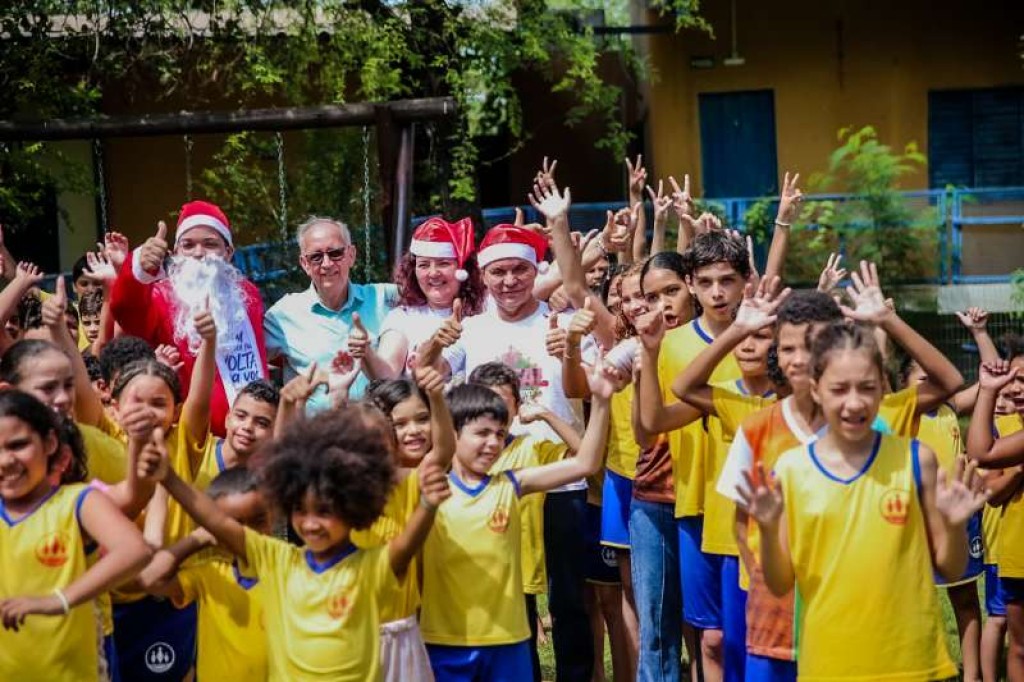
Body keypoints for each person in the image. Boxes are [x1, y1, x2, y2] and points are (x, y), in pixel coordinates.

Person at [743, 321, 985, 680]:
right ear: (816, 389)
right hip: (829, 662)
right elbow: (779, 583)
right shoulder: (792, 470)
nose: (854, 402)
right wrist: (766, 529)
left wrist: (953, 526)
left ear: (883, 388)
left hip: (912, 662)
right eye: (839, 389)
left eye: (867, 387)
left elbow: (950, 568)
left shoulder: (915, 459)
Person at [142, 406, 451, 681]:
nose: (311, 523)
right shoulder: (278, 558)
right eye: (300, 511)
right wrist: (168, 477)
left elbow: (405, 548)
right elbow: (217, 521)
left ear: (354, 507)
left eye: (324, 512)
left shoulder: (368, 566)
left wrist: (427, 505)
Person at [424, 218, 598, 681]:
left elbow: (583, 388)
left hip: (558, 476)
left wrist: (570, 349)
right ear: (483, 275)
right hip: (495, 480)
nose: (508, 281)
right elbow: (429, 375)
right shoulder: (470, 328)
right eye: (497, 272)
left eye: (519, 270)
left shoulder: (561, 323)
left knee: (568, 597)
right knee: (512, 593)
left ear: (535, 271)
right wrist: (435, 345)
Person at [420, 356, 614, 681]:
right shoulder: (430, 490)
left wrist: (603, 400)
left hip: (508, 642)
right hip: (448, 642)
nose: (493, 443)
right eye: (482, 433)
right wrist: (434, 394)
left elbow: (586, 463)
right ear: (453, 432)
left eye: (499, 433)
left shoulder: (511, 484)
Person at [0, 390, 151, 680]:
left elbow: (135, 550)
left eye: (18, 445)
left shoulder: (77, 501)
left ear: (50, 444)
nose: (5, 461)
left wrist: (60, 600)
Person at [109, 200, 269, 437]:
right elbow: (126, 312)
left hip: (254, 433)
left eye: (210, 244)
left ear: (228, 252)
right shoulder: (160, 295)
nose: (199, 253)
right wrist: (140, 270)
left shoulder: (247, 294)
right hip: (191, 438)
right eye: (188, 245)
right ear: (175, 253)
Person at [469, 361, 579, 681]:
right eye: (486, 399)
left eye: (503, 400)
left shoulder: (531, 447)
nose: (494, 409)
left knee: (523, 653)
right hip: (475, 572)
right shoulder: (463, 452)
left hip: (520, 571)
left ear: (517, 407)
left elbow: (582, 453)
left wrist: (545, 414)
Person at [137, 467, 272, 682]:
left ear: (274, 516)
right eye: (233, 524)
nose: (245, 532)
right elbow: (149, 577)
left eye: (259, 520)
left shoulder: (290, 570)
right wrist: (200, 538)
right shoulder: (211, 573)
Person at [264, 216, 398, 410]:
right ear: (305, 263)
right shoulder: (282, 316)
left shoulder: (384, 298)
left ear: (351, 255)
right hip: (316, 428)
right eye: (316, 257)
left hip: (379, 425)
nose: (327, 264)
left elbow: (430, 298)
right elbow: (249, 359)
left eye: (335, 253)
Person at [367, 216, 485, 380]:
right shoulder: (402, 317)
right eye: (424, 265)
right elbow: (386, 375)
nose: (433, 273)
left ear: (463, 269)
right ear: (413, 272)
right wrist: (365, 353)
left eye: (443, 263)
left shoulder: (487, 309)